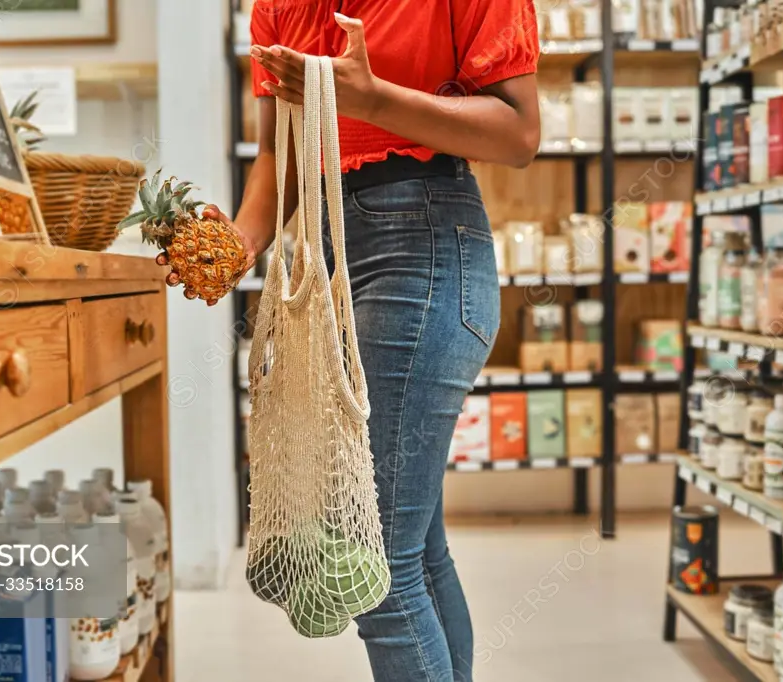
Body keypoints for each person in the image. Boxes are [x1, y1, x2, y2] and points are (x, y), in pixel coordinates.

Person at [178, 2, 539, 680]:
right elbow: (278, 156)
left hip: (423, 243)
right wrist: (235, 247)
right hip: (328, 257)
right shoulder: (277, 8)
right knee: (417, 555)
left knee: (375, 569)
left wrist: (372, 99)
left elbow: (519, 134)